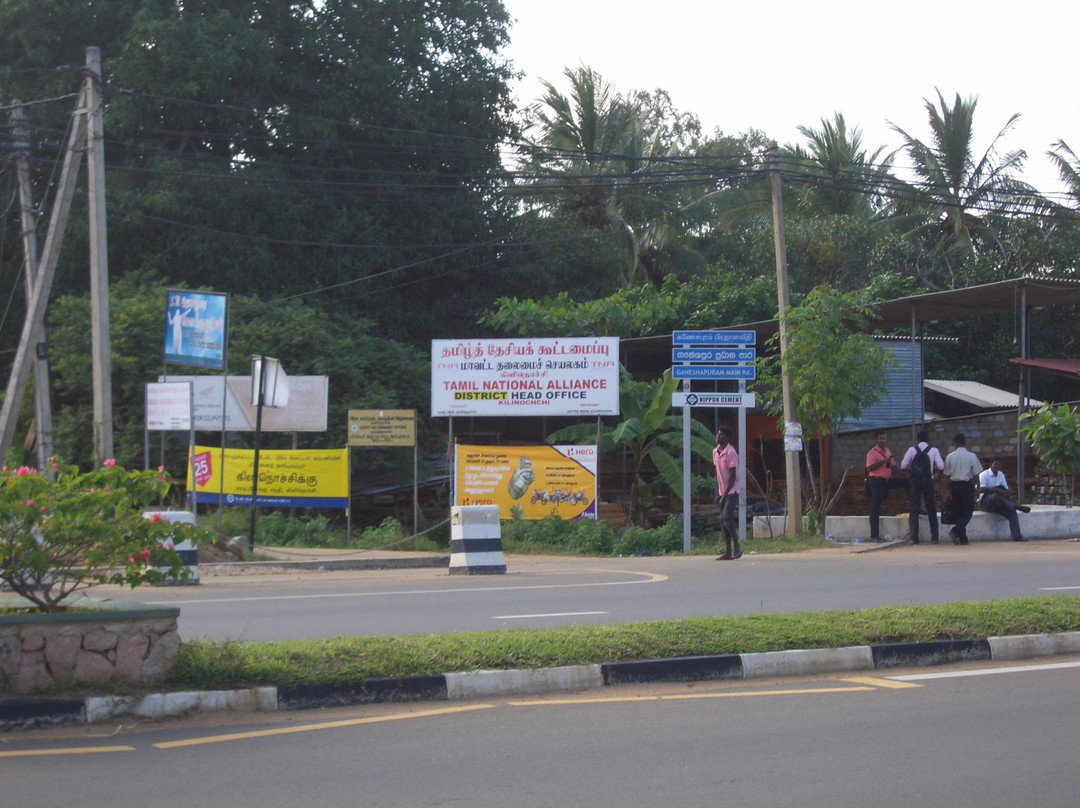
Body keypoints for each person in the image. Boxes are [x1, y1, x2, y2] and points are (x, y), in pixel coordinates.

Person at [900, 430, 945, 544]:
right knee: (931, 508)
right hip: (927, 481)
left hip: (915, 482)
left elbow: (903, 466)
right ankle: (934, 537)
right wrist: (935, 475)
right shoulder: (934, 450)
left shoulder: (912, 450)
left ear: (918, 439)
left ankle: (914, 537)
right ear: (928, 439)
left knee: (914, 508)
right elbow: (941, 466)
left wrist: (910, 475)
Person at [865, 431, 907, 542]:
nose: (883, 440)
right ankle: (874, 536)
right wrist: (883, 461)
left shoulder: (887, 451)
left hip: (886, 480)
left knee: (906, 482)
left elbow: (893, 467)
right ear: (876, 440)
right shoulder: (872, 453)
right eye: (881, 439)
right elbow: (869, 469)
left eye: (884, 438)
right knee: (876, 508)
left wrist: (905, 475)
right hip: (876, 482)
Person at [979, 457, 1031, 542]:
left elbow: (1006, 488)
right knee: (995, 495)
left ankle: (1017, 537)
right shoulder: (984, 475)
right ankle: (1014, 505)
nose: (997, 466)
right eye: (995, 464)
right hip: (986, 502)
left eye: (999, 465)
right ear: (991, 465)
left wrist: (1006, 492)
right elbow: (980, 489)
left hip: (999, 503)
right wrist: (995, 489)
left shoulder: (1001, 475)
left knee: (1012, 511)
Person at [943, 433, 982, 545]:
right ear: (965, 443)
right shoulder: (971, 456)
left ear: (955, 443)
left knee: (959, 512)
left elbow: (947, 476)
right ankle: (955, 531)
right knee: (968, 512)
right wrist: (977, 489)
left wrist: (948, 491)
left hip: (954, 486)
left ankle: (963, 538)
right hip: (966, 485)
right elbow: (976, 475)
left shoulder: (950, 456)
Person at [712, 425, 741, 560]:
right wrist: (720, 493)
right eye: (718, 434)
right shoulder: (715, 452)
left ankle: (737, 547)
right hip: (721, 491)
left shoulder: (731, 452)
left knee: (727, 518)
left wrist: (724, 496)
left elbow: (733, 476)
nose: (718, 436)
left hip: (732, 490)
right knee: (723, 522)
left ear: (727, 438)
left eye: (721, 434)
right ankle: (728, 552)